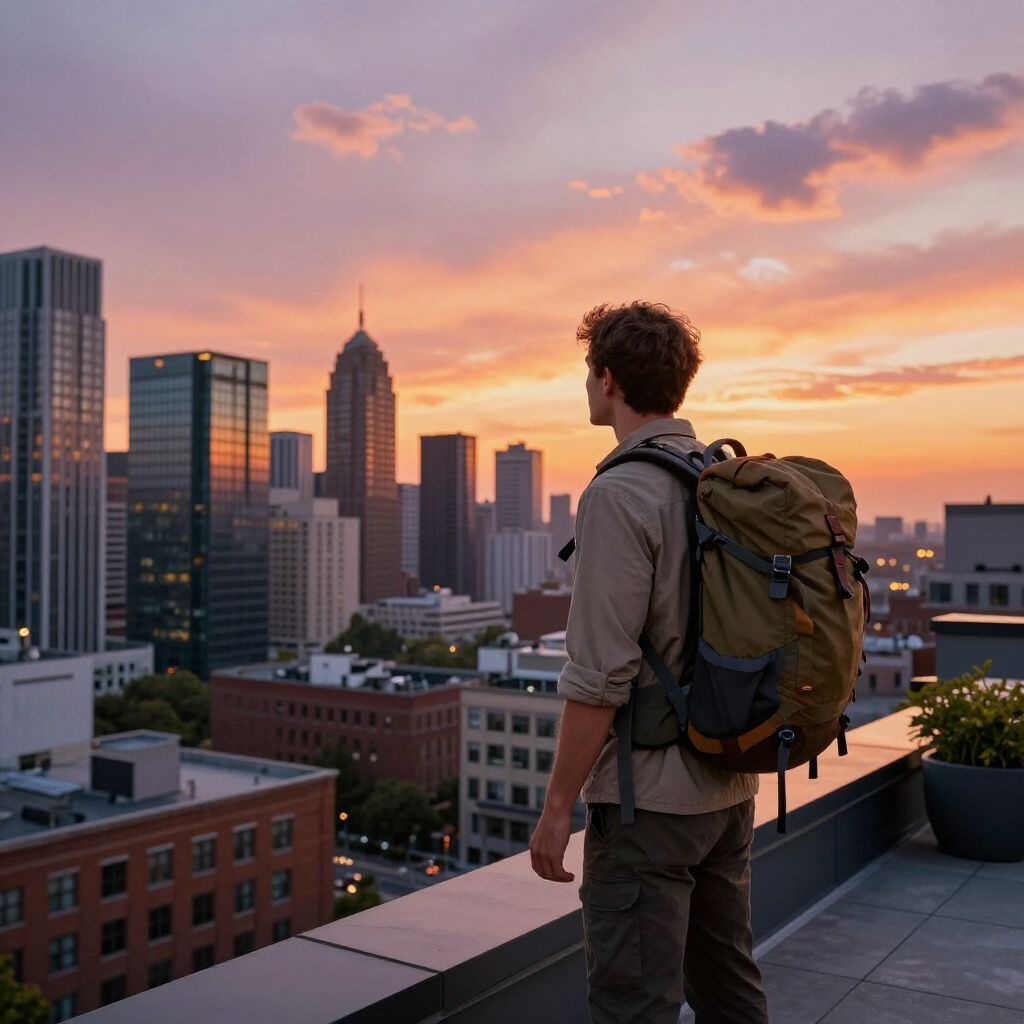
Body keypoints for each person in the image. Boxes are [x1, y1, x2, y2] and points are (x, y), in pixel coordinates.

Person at [529, 302, 770, 1023]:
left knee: (634, 1003)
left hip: (649, 804)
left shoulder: (619, 493)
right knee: (729, 988)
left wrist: (556, 808)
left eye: (587, 372)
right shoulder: (719, 476)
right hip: (729, 787)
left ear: (608, 380)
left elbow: (598, 675)